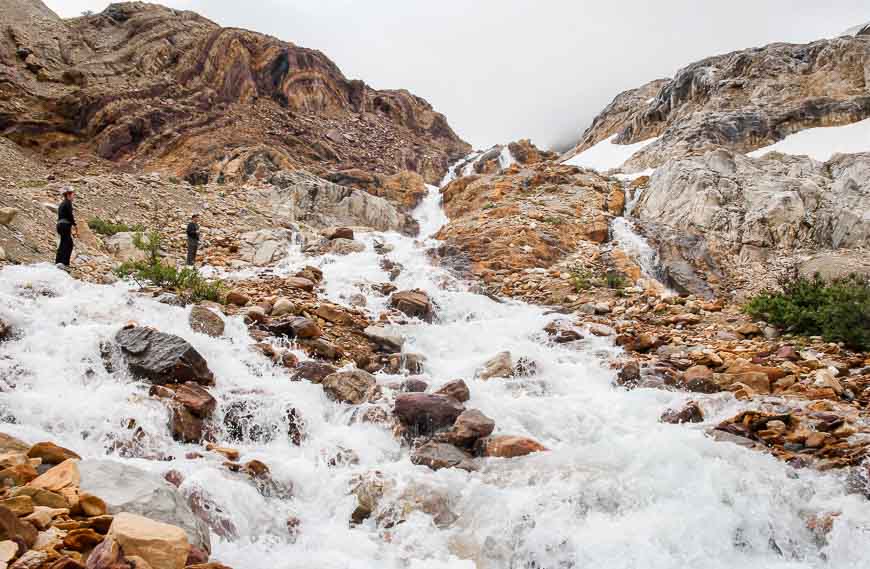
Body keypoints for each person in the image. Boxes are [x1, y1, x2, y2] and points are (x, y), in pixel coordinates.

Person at [55, 186, 78, 268]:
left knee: (63, 243)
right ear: (68, 195)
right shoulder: (68, 202)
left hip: (60, 225)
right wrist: (75, 225)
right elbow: (70, 215)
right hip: (65, 225)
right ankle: (65, 263)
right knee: (68, 244)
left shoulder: (62, 203)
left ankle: (58, 261)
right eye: (72, 195)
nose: (73, 196)